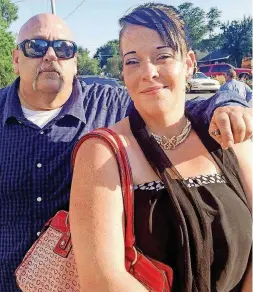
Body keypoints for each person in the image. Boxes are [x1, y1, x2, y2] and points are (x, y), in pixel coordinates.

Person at [0, 13, 252, 292]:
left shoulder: (110, 104)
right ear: (16, 59)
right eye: (35, 46)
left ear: (74, 62)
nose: (50, 55)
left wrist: (229, 101)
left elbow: (173, 109)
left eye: (63, 48)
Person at [70, 4, 252, 292]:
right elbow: (102, 280)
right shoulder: (102, 154)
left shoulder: (228, 136)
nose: (148, 72)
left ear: (189, 63)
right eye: (132, 61)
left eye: (162, 56)